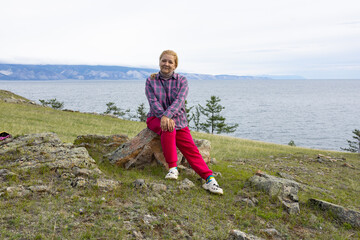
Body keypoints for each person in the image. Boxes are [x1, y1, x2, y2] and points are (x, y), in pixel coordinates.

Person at [145, 50, 223, 195]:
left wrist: (167, 116)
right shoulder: (151, 80)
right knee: (168, 128)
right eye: (164, 60)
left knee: (191, 149)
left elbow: (179, 101)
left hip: (178, 120)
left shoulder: (182, 81)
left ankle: (210, 179)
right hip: (155, 118)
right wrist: (164, 117)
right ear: (159, 61)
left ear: (175, 65)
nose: (166, 64)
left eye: (170, 62)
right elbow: (153, 102)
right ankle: (173, 169)